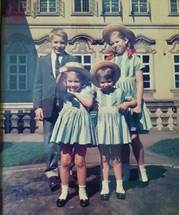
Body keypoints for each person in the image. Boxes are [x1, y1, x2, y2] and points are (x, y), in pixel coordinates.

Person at [102, 24, 152, 182]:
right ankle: (125, 169)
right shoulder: (111, 60)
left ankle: (141, 168)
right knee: (122, 138)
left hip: (131, 101)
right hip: (118, 102)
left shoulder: (134, 59)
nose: (114, 45)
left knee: (134, 137)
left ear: (125, 40)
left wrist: (138, 103)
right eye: (112, 43)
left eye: (117, 42)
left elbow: (139, 82)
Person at [33, 28, 78, 191]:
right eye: (56, 42)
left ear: (66, 43)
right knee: (50, 141)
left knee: (69, 140)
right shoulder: (42, 61)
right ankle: (51, 173)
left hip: (67, 105)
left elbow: (78, 81)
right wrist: (37, 106)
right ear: (50, 42)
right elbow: (37, 84)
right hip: (48, 105)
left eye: (62, 42)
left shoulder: (71, 59)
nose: (59, 45)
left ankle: (69, 170)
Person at [50, 62, 96, 207]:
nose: (73, 84)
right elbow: (57, 86)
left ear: (82, 80)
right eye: (70, 81)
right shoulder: (64, 90)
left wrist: (76, 93)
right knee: (64, 161)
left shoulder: (87, 89)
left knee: (80, 161)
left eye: (76, 81)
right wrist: (60, 74)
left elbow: (89, 104)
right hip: (67, 126)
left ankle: (82, 191)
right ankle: (64, 192)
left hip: (81, 126)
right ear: (66, 81)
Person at [90, 61, 137, 200]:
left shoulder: (120, 91)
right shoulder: (96, 93)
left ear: (113, 80)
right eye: (102, 82)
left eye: (108, 81)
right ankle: (105, 185)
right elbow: (89, 104)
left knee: (116, 158)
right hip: (102, 127)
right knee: (104, 158)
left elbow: (134, 102)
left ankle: (119, 185)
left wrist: (126, 104)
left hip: (116, 127)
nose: (106, 84)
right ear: (98, 83)